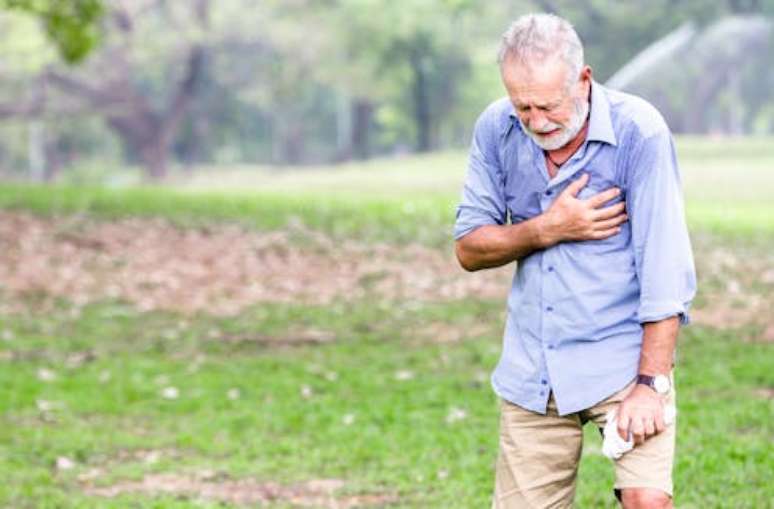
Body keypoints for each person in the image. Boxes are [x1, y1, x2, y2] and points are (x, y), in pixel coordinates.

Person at [453, 13, 696, 509]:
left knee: (648, 499)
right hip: (534, 365)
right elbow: (469, 248)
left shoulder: (639, 133)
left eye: (548, 105)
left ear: (583, 80)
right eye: (523, 107)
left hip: (623, 360)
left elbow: (665, 270)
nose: (537, 121)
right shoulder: (496, 129)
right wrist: (548, 228)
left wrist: (652, 384)